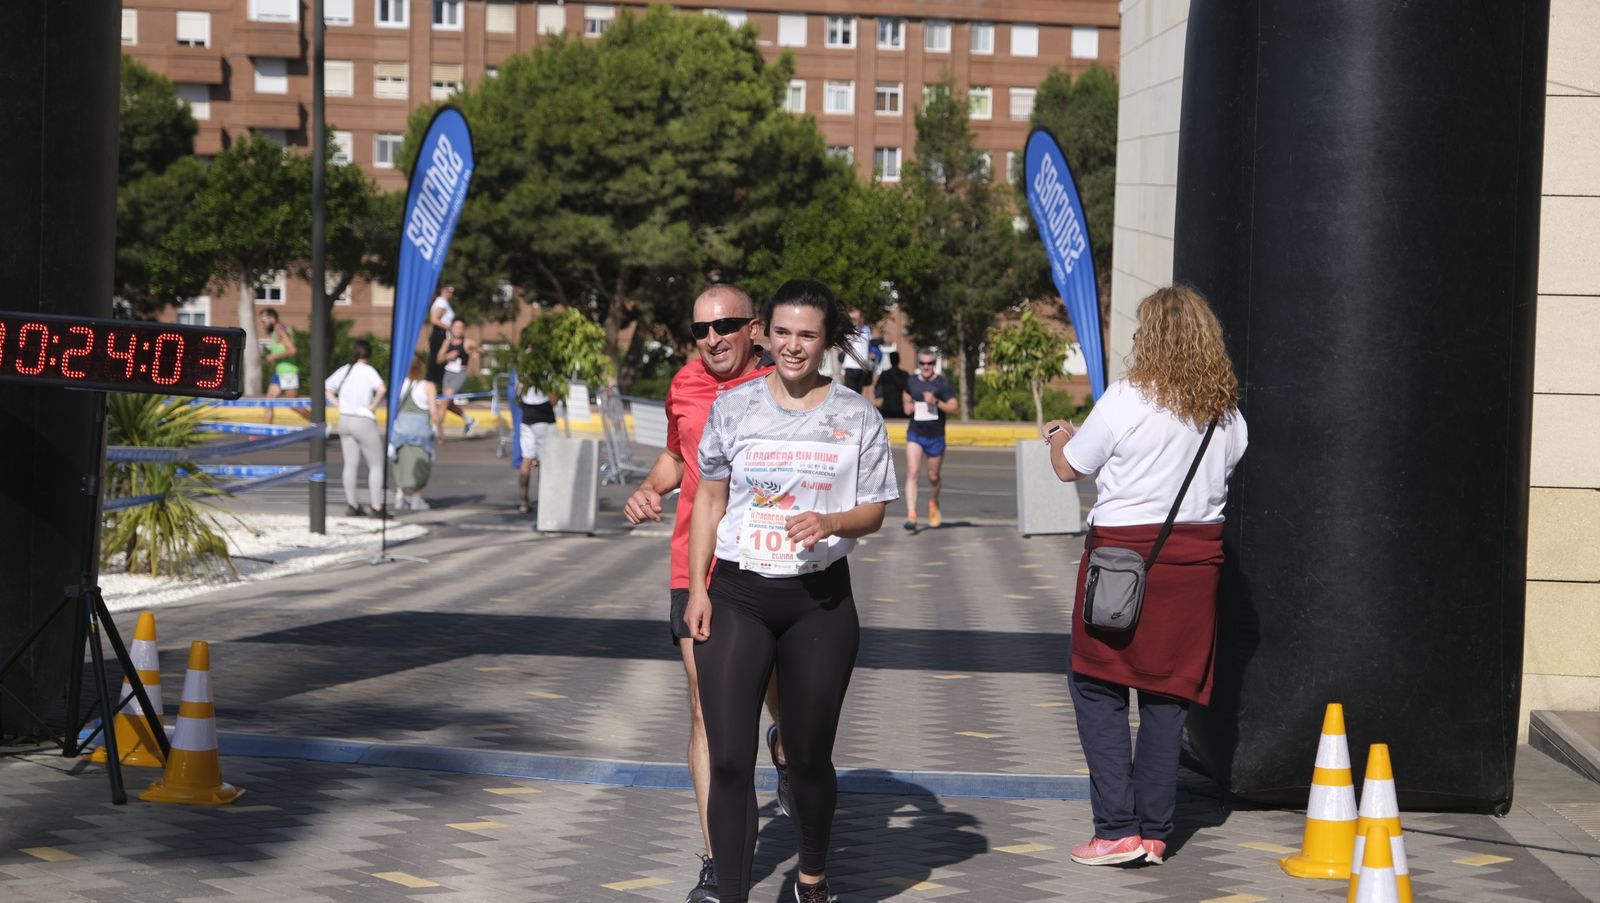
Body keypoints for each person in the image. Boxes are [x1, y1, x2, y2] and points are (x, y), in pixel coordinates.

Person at [686, 278, 898, 903]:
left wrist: (830, 522)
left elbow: (875, 513)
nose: (793, 346)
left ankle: (812, 876)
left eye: (807, 335)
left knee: (807, 758)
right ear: (763, 334)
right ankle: (731, 894)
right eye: (781, 333)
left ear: (826, 340)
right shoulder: (735, 407)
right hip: (738, 594)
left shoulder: (855, 414)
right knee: (727, 758)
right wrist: (699, 589)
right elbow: (709, 498)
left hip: (820, 604)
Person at [1042, 284, 1248, 868]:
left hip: (1121, 565)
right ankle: (1156, 833)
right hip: (1195, 572)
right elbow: (1224, 475)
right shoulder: (1226, 415)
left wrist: (1060, 435)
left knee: (1097, 686)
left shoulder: (1127, 400)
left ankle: (1116, 830)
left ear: (1151, 339)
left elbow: (1068, 468)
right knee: (1168, 697)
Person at [622, 284, 789, 903]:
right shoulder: (685, 385)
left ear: (754, 329)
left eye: (726, 325)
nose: (713, 338)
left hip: (767, 565)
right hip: (695, 569)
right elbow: (676, 457)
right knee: (705, 709)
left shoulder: (784, 385)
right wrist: (649, 489)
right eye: (701, 329)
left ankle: (788, 747)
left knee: (783, 702)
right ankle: (721, 863)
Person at [327, 340, 387, 518]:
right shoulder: (368, 371)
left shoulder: (346, 369)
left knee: (350, 464)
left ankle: (352, 504)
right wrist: (373, 406)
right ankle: (376, 506)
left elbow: (327, 387)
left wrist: (339, 404)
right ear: (369, 355)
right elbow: (382, 388)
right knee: (376, 464)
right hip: (363, 419)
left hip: (345, 419)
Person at [901, 349, 957, 530]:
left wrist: (936, 402)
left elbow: (954, 406)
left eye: (930, 363)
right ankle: (912, 515)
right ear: (919, 364)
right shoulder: (912, 380)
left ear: (934, 364)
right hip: (915, 433)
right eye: (923, 363)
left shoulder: (942, 383)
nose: (926, 367)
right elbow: (906, 396)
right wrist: (907, 406)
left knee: (933, 476)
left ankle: (933, 502)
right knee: (913, 472)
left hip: (936, 435)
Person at [391, 356, 440, 511]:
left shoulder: (399, 384)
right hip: (420, 429)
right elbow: (433, 410)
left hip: (401, 428)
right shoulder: (428, 386)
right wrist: (440, 428)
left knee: (401, 462)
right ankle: (416, 497)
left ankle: (400, 496)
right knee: (421, 463)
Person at [516, 380, 560, 515]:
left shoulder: (524, 369)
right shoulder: (547, 369)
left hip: (526, 415)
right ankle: (546, 500)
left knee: (526, 459)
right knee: (547, 461)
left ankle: (524, 501)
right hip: (544, 417)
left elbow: (517, 393)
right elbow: (553, 400)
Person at [257, 309, 308, 424]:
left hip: (288, 373)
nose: (263, 324)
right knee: (268, 403)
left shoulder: (281, 329)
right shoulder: (276, 331)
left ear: (272, 319)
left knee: (293, 405)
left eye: (264, 322)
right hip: (279, 373)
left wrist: (273, 356)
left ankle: (317, 422)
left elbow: (293, 350)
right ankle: (265, 432)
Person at [434, 316, 479, 436]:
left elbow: (482, 351)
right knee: (448, 404)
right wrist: (447, 356)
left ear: (464, 329)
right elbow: (438, 360)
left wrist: (477, 353)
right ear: (452, 328)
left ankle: (436, 428)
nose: (458, 330)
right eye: (456, 327)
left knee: (444, 401)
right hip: (448, 373)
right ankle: (469, 419)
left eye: (461, 327)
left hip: (460, 374)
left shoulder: (468, 342)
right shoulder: (447, 342)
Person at [839, 307, 872, 394]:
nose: (854, 321)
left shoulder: (866, 329)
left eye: (856, 319)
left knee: (858, 394)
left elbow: (868, 346)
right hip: (850, 366)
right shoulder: (848, 329)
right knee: (850, 394)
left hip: (862, 366)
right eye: (852, 319)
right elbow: (847, 342)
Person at [871, 350, 909, 419]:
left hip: (887, 408)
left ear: (890, 361)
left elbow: (877, 393)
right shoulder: (905, 375)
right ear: (899, 360)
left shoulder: (884, 374)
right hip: (901, 409)